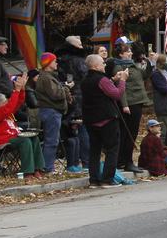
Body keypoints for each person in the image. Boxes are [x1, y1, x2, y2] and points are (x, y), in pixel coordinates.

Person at [0, 75, 46, 180]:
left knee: (34, 137)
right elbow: (9, 107)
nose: (7, 103)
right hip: (4, 140)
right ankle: (27, 171)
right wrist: (16, 90)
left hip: (15, 135)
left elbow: (17, 103)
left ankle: (38, 169)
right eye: (4, 102)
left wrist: (22, 89)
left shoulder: (6, 110)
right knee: (25, 141)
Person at [82, 53, 126, 188]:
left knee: (94, 150)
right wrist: (122, 80)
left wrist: (113, 80)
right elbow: (116, 94)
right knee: (112, 148)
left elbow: (101, 90)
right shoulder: (101, 79)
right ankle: (107, 179)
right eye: (102, 63)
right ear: (95, 66)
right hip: (106, 118)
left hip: (90, 119)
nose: (105, 64)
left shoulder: (85, 80)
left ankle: (94, 180)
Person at [110, 42, 150, 173]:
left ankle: (123, 161)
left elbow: (144, 75)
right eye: (128, 52)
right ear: (121, 54)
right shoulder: (119, 67)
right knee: (129, 134)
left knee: (131, 133)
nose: (131, 53)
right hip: (130, 104)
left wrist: (151, 63)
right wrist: (125, 104)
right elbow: (121, 88)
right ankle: (126, 161)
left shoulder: (132, 65)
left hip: (138, 101)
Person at [34, 52, 71, 174]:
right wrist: (65, 88)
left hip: (51, 111)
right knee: (52, 141)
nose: (56, 63)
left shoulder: (48, 76)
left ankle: (47, 166)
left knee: (51, 140)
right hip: (51, 111)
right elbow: (56, 95)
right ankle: (47, 167)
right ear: (48, 63)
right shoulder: (46, 77)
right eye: (54, 61)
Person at [56, 35, 90, 173]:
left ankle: (74, 162)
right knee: (82, 129)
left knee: (71, 131)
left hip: (66, 98)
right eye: (79, 44)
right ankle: (86, 161)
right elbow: (86, 76)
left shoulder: (59, 61)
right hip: (79, 98)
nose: (82, 45)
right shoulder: (79, 61)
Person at [150, 54, 167, 132]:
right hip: (163, 105)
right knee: (165, 130)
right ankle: (163, 144)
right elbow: (163, 89)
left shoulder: (166, 71)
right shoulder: (156, 74)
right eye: (166, 61)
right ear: (161, 62)